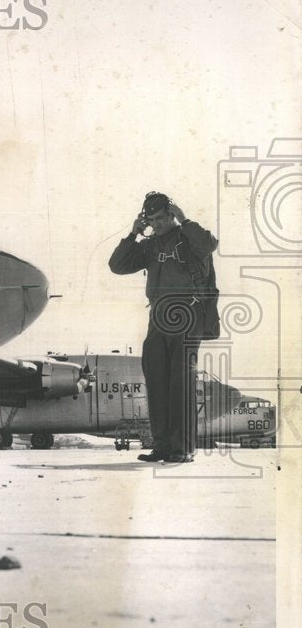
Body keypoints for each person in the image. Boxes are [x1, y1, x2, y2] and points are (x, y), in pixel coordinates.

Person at [109, 192, 218, 463]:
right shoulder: (150, 245)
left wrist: (184, 218)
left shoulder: (189, 238)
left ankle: (182, 448)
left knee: (180, 383)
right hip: (158, 317)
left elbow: (210, 243)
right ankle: (162, 446)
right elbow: (117, 266)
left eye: (160, 218)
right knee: (156, 381)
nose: (155, 225)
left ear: (172, 215)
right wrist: (133, 235)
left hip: (187, 314)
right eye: (151, 220)